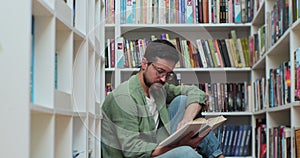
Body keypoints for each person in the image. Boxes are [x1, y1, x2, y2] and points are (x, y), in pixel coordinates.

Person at [101, 39, 225, 158]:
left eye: (168, 74)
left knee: (182, 101)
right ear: (144, 64)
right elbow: (133, 150)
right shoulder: (124, 98)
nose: (164, 79)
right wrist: (178, 146)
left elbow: (196, 93)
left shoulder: (158, 88)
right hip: (139, 154)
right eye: (160, 71)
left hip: (157, 143)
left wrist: (187, 119)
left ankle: (218, 156)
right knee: (187, 153)